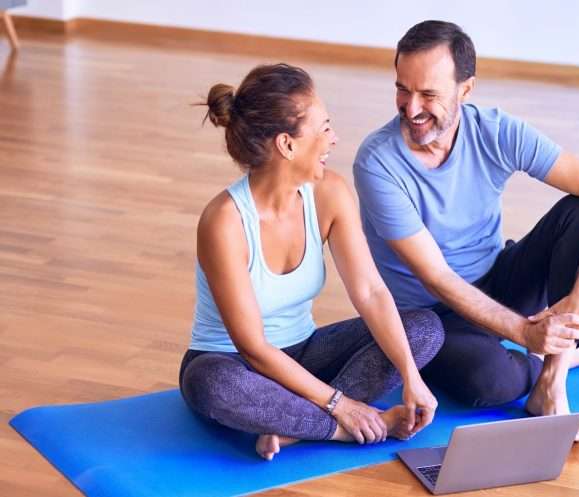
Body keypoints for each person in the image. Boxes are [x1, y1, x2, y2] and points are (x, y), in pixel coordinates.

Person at [353, 21, 579, 440]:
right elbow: (438, 277)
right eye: (402, 89)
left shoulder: (496, 131)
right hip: (433, 317)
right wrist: (524, 333)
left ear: (465, 90)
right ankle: (572, 355)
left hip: (499, 280)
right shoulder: (377, 163)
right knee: (488, 383)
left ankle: (552, 384)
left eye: (429, 94)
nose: (411, 108)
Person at [179, 63, 445, 461]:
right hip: (234, 363)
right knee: (213, 385)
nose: (333, 138)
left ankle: (291, 429)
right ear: (287, 144)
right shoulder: (224, 221)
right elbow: (252, 348)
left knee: (424, 329)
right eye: (323, 128)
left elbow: (370, 292)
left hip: (305, 352)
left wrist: (411, 376)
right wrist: (341, 406)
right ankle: (338, 429)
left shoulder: (330, 193)